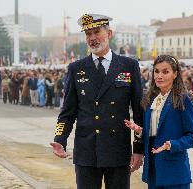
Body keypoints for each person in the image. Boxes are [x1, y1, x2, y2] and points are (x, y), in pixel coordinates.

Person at [50, 13, 144, 189]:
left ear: (109, 33)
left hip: (118, 150)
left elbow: (139, 111)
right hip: (86, 151)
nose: (92, 38)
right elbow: (67, 113)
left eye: (96, 32)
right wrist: (59, 139)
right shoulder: (76, 69)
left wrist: (139, 149)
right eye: (88, 34)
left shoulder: (129, 66)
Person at [125, 55, 193, 189]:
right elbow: (154, 133)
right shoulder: (150, 99)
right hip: (153, 169)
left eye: (165, 72)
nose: (159, 76)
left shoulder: (184, 99)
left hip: (174, 171)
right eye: (157, 71)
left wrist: (171, 144)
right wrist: (141, 131)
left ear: (175, 74)